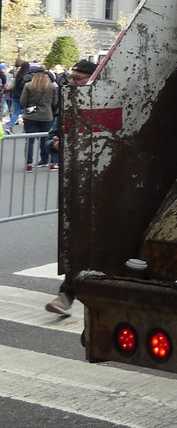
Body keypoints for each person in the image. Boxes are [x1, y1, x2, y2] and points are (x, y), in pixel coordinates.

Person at [45, 59, 97, 316]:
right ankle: (67, 293)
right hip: (77, 185)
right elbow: (51, 138)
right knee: (77, 239)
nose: (72, 83)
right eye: (71, 78)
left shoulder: (107, 100)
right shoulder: (68, 103)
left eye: (79, 79)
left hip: (107, 185)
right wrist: (54, 143)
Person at [19, 68, 58, 170]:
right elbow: (55, 103)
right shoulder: (52, 86)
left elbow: (23, 101)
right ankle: (49, 162)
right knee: (47, 139)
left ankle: (28, 164)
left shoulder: (28, 86)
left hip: (31, 116)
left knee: (30, 141)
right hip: (46, 116)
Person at [6, 60, 31, 129]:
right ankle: (26, 128)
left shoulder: (18, 74)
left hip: (15, 95)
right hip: (24, 96)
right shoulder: (28, 76)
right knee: (27, 112)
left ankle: (9, 126)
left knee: (16, 112)